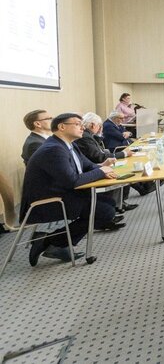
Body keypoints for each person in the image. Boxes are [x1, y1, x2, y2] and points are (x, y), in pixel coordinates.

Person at [21, 113, 123, 266]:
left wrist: (102, 168)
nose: (82, 127)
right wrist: (101, 172)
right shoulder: (53, 149)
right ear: (62, 127)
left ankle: (56, 244)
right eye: (77, 124)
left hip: (61, 192)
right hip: (47, 202)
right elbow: (73, 181)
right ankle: (48, 241)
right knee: (105, 211)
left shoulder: (68, 144)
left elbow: (88, 165)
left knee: (109, 203)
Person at [75, 112, 144, 212]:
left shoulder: (88, 135)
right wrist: (123, 153)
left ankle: (120, 203)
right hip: (94, 167)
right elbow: (99, 157)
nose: (100, 128)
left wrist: (98, 135)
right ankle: (118, 204)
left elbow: (99, 150)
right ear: (93, 125)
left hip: (98, 162)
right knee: (121, 172)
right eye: (99, 126)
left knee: (123, 168)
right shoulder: (85, 137)